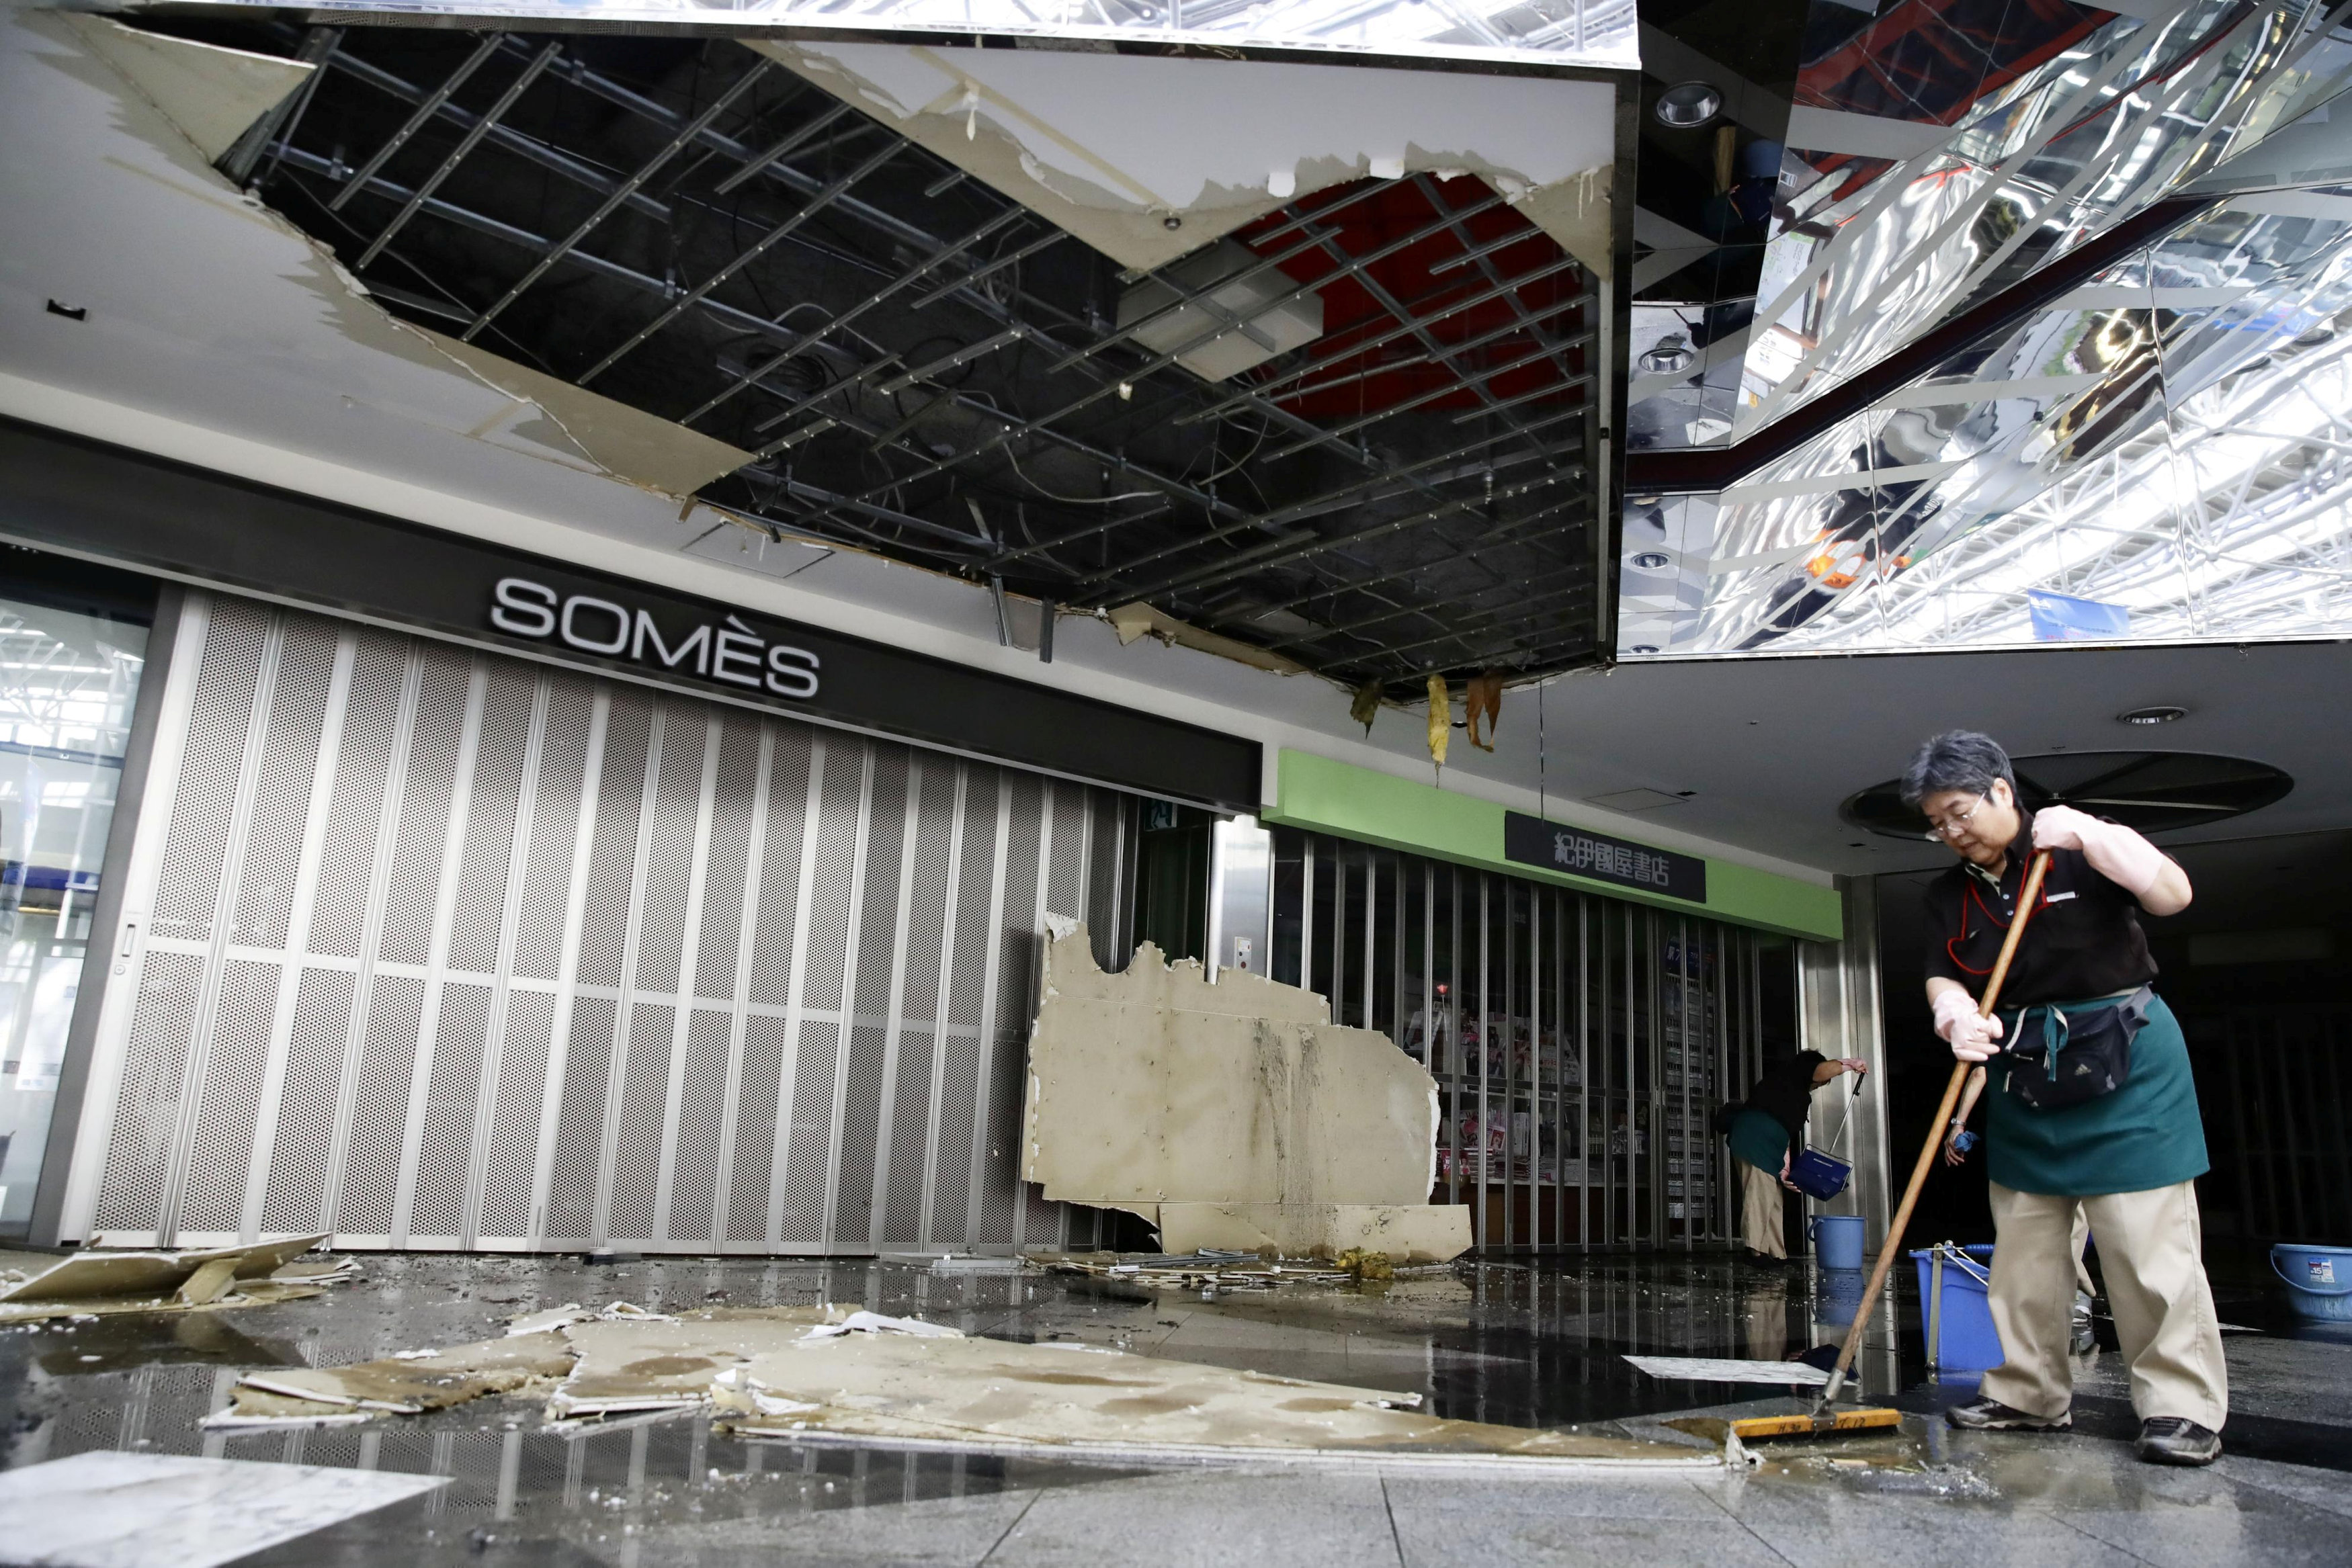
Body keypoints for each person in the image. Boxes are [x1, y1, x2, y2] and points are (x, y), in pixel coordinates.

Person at [1906, 729, 2226, 1467]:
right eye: (1937, 823)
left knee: (2146, 1249)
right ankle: (2026, 1394)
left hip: (2126, 1056)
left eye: (1959, 812)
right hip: (2025, 1067)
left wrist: (2092, 833)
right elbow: (1940, 973)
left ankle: (2180, 1409)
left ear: (2000, 791)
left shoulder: (2075, 849)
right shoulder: (1944, 894)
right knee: (2025, 1251)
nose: (1950, 832)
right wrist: (1950, 1013)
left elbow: (2171, 894)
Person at [1718, 1049, 1867, 1262]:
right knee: (1760, 1190)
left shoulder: (1796, 1095)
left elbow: (1786, 1136)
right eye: (1821, 1083)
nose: (1819, 1086)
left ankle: (1776, 1253)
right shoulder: (1795, 1072)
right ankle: (1754, 1249)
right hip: (1755, 1136)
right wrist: (1851, 1064)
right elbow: (1823, 1070)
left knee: (1773, 1195)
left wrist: (1785, 1169)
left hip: (1770, 1143)